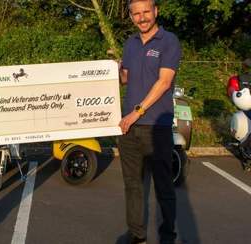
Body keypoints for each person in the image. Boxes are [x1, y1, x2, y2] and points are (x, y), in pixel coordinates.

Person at [117, 0, 181, 243]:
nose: (142, 17)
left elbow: (164, 82)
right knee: (132, 186)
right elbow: (126, 79)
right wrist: (110, 70)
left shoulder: (169, 41)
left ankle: (167, 236)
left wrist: (136, 112)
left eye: (146, 12)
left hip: (156, 128)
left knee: (164, 188)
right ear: (131, 16)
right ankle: (137, 235)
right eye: (136, 14)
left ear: (156, 11)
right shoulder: (130, 44)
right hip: (129, 129)